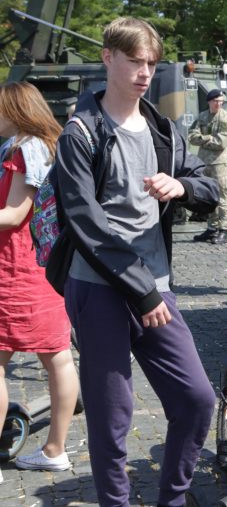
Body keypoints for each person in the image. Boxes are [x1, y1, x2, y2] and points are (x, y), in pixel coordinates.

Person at [54, 16, 220, 507]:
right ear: (108, 58)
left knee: (196, 400)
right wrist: (140, 290)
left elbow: (209, 189)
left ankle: (172, 499)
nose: (146, 72)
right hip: (100, 289)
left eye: (151, 62)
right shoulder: (80, 134)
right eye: (135, 61)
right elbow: (86, 225)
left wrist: (183, 186)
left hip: (156, 287)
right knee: (112, 418)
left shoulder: (164, 130)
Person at [0, 81, 79, 476]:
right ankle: (55, 450)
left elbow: (14, 215)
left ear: (15, 110)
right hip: (47, 263)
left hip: (15, 268)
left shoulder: (21, 148)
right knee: (59, 356)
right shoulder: (52, 143)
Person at [189, 88, 227, 245]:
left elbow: (221, 142)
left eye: (221, 101)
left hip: (219, 163)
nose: (219, 104)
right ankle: (212, 228)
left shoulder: (226, 118)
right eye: (216, 101)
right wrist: (208, 138)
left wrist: (203, 139)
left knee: (222, 196)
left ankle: (224, 229)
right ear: (209, 101)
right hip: (204, 163)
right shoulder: (202, 117)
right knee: (209, 196)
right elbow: (191, 137)